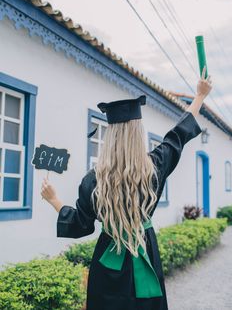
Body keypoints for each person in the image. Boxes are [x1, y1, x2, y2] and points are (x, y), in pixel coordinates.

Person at [41, 68, 212, 310]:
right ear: (138, 135)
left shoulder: (93, 180)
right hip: (145, 253)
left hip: (108, 264)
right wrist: (200, 96)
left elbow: (81, 223)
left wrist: (54, 199)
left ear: (110, 136)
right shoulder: (154, 167)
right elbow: (178, 135)